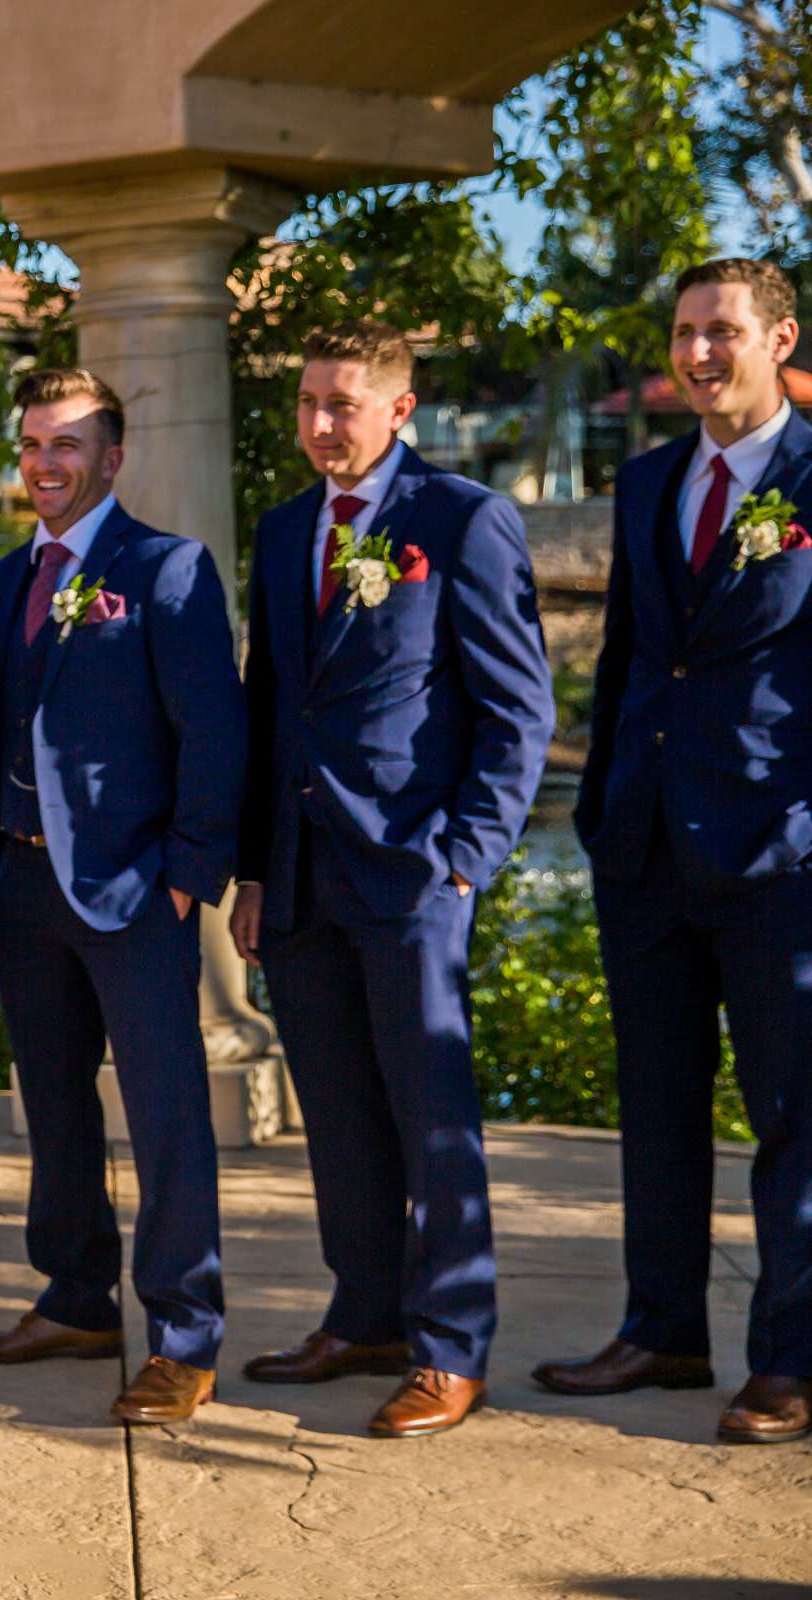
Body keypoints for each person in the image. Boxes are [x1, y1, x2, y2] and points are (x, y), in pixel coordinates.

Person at [231, 320, 554, 1438]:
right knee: (338, 1114)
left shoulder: (461, 521)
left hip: (416, 872)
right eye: (310, 401)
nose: (322, 424)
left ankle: (450, 1346)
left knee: (434, 1120)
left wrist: (467, 859)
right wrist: (255, 872)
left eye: (345, 404)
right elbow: (274, 708)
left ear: (400, 408)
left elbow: (519, 710)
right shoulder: (284, 533)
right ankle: (362, 1312)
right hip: (303, 876)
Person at [540, 258, 812, 1446]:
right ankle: (661, 1332)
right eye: (686, 332)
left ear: (780, 337)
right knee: (656, 1107)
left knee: (795, 1120)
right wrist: (603, 812)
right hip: (645, 846)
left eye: (724, 332)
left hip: (782, 858)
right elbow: (632, 658)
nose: (700, 353)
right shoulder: (648, 477)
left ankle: (792, 1362)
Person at [0, 368, 244, 1427]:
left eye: (67, 444)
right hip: (25, 883)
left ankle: (184, 1333)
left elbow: (213, 731)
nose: (45, 463)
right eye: (32, 443)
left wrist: (185, 879)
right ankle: (76, 1297)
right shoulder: (4, 579)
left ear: (112, 458)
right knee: (57, 1105)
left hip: (133, 891)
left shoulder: (165, 570)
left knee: (167, 1116)